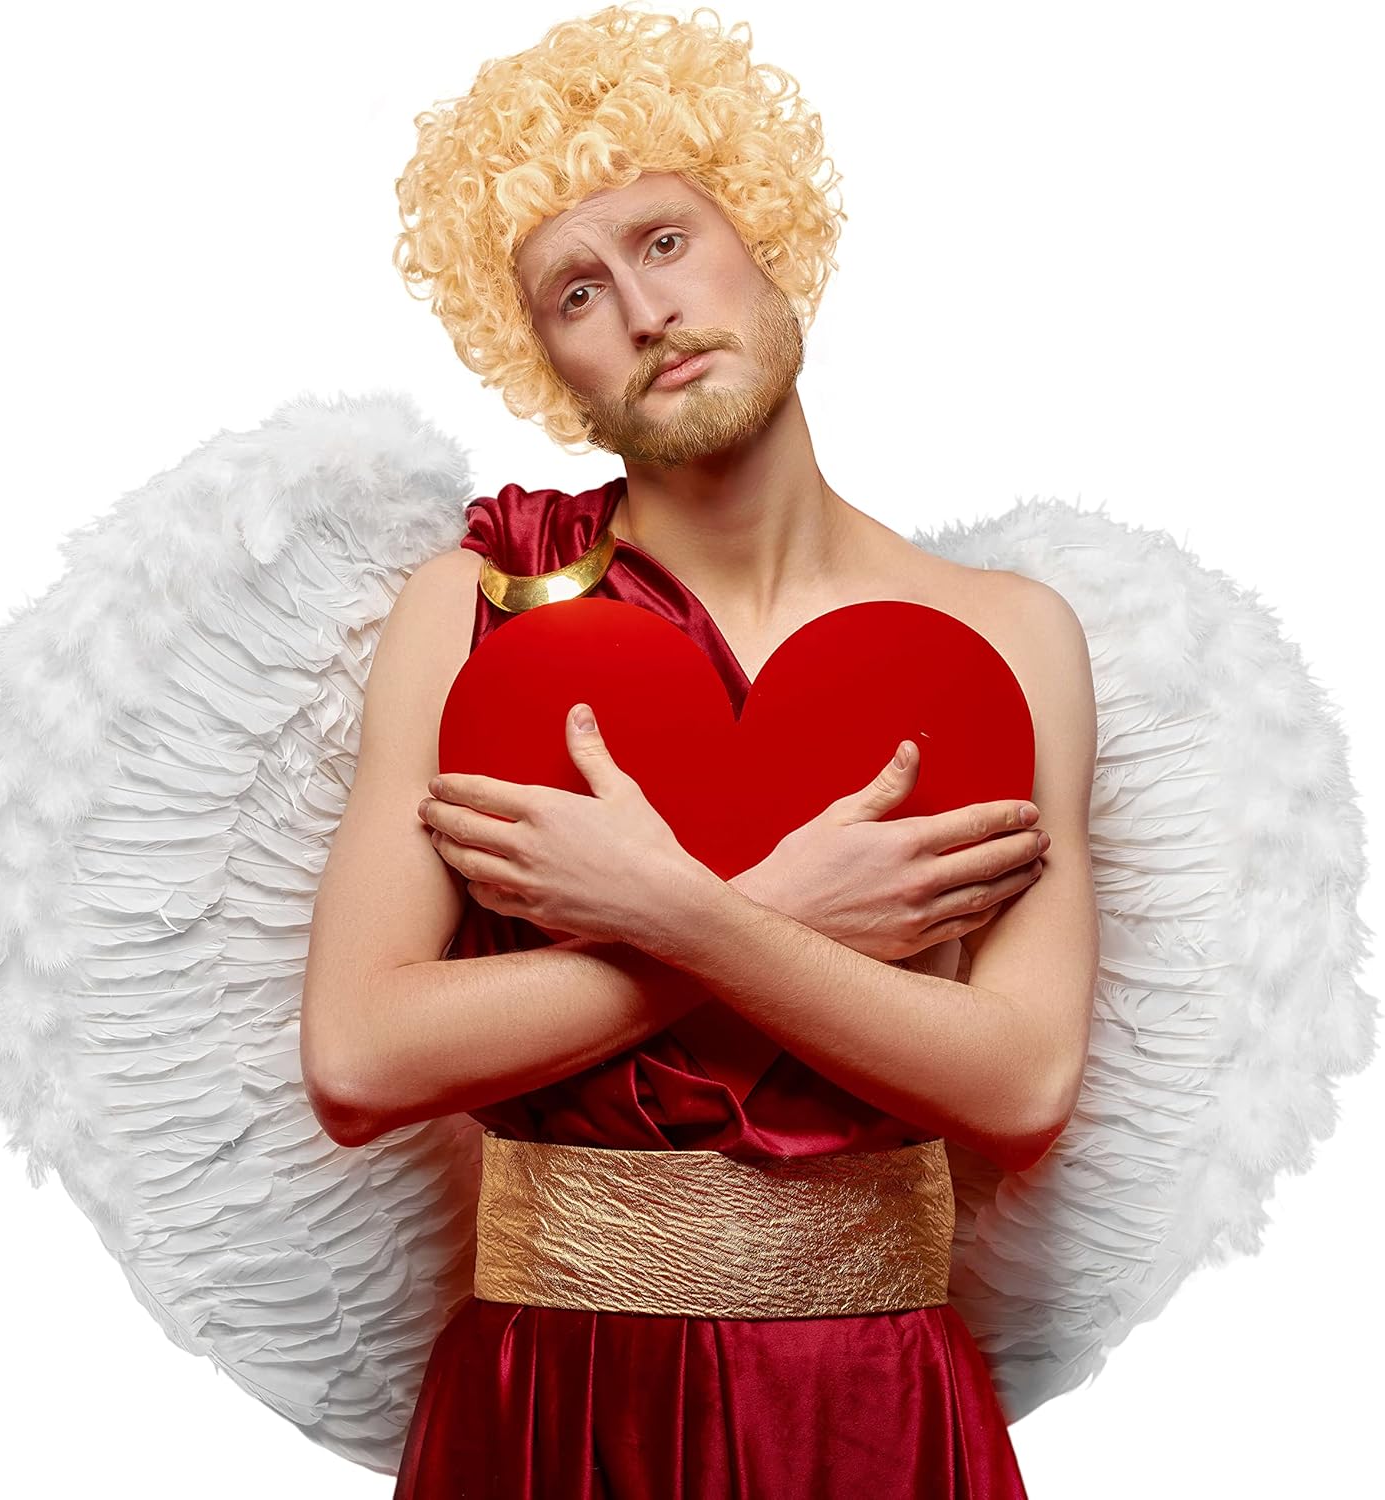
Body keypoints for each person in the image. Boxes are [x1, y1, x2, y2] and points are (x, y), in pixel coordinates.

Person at [300, 6, 1098, 1494]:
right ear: (544, 358)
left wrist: (679, 910)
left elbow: (1023, 1085)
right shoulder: (482, 610)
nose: (643, 311)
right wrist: (780, 909)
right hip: (550, 1401)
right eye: (576, 292)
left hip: (870, 1403)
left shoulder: (1006, 633)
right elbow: (356, 1058)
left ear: (765, 233)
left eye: (665, 240)